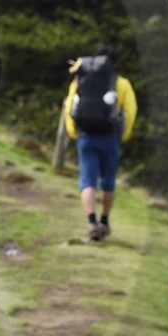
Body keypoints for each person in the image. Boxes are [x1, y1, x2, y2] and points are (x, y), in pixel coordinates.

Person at [65, 45, 136, 241]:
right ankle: (104, 221)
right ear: (115, 64)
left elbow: (70, 106)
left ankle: (91, 222)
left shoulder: (81, 79)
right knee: (108, 181)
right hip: (110, 137)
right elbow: (130, 111)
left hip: (85, 136)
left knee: (87, 180)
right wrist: (124, 135)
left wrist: (73, 132)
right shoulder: (122, 84)